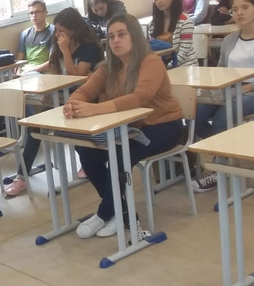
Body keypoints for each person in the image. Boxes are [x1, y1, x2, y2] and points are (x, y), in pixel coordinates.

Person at [67, 14, 183, 239]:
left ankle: (105, 212)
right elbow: (84, 91)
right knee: (86, 149)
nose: (115, 41)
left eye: (121, 35)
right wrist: (73, 104)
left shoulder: (151, 62)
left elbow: (140, 97)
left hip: (163, 126)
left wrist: (95, 109)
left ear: (135, 37)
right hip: (128, 128)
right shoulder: (107, 67)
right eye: (111, 37)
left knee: (121, 155)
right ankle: (122, 212)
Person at [192, 0, 254, 193]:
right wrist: (214, 89)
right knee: (196, 113)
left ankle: (220, 168)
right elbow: (221, 71)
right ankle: (229, 152)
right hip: (230, 90)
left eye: (245, 7)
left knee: (223, 116)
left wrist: (245, 88)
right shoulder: (230, 40)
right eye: (235, 9)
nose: (239, 12)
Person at [4, 8, 102, 196]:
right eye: (56, 30)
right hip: (61, 99)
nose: (57, 34)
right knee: (34, 128)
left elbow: (76, 78)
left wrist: (65, 51)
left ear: (73, 29)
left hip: (83, 99)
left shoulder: (89, 47)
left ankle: (91, 163)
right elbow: (55, 71)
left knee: (72, 132)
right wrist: (50, 92)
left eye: (62, 30)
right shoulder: (58, 45)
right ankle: (21, 177)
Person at [149, 0, 197, 67]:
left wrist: (168, 67)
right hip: (162, 65)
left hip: (185, 66)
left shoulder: (185, 21)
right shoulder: (153, 23)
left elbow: (183, 53)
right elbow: (153, 49)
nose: (158, 2)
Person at [16, 0, 54, 72]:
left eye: (37, 12)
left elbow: (52, 62)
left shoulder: (53, 31)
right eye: (31, 13)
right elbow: (18, 61)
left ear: (45, 13)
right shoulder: (25, 34)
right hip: (25, 72)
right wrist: (18, 75)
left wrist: (31, 71)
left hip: (42, 72)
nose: (34, 15)